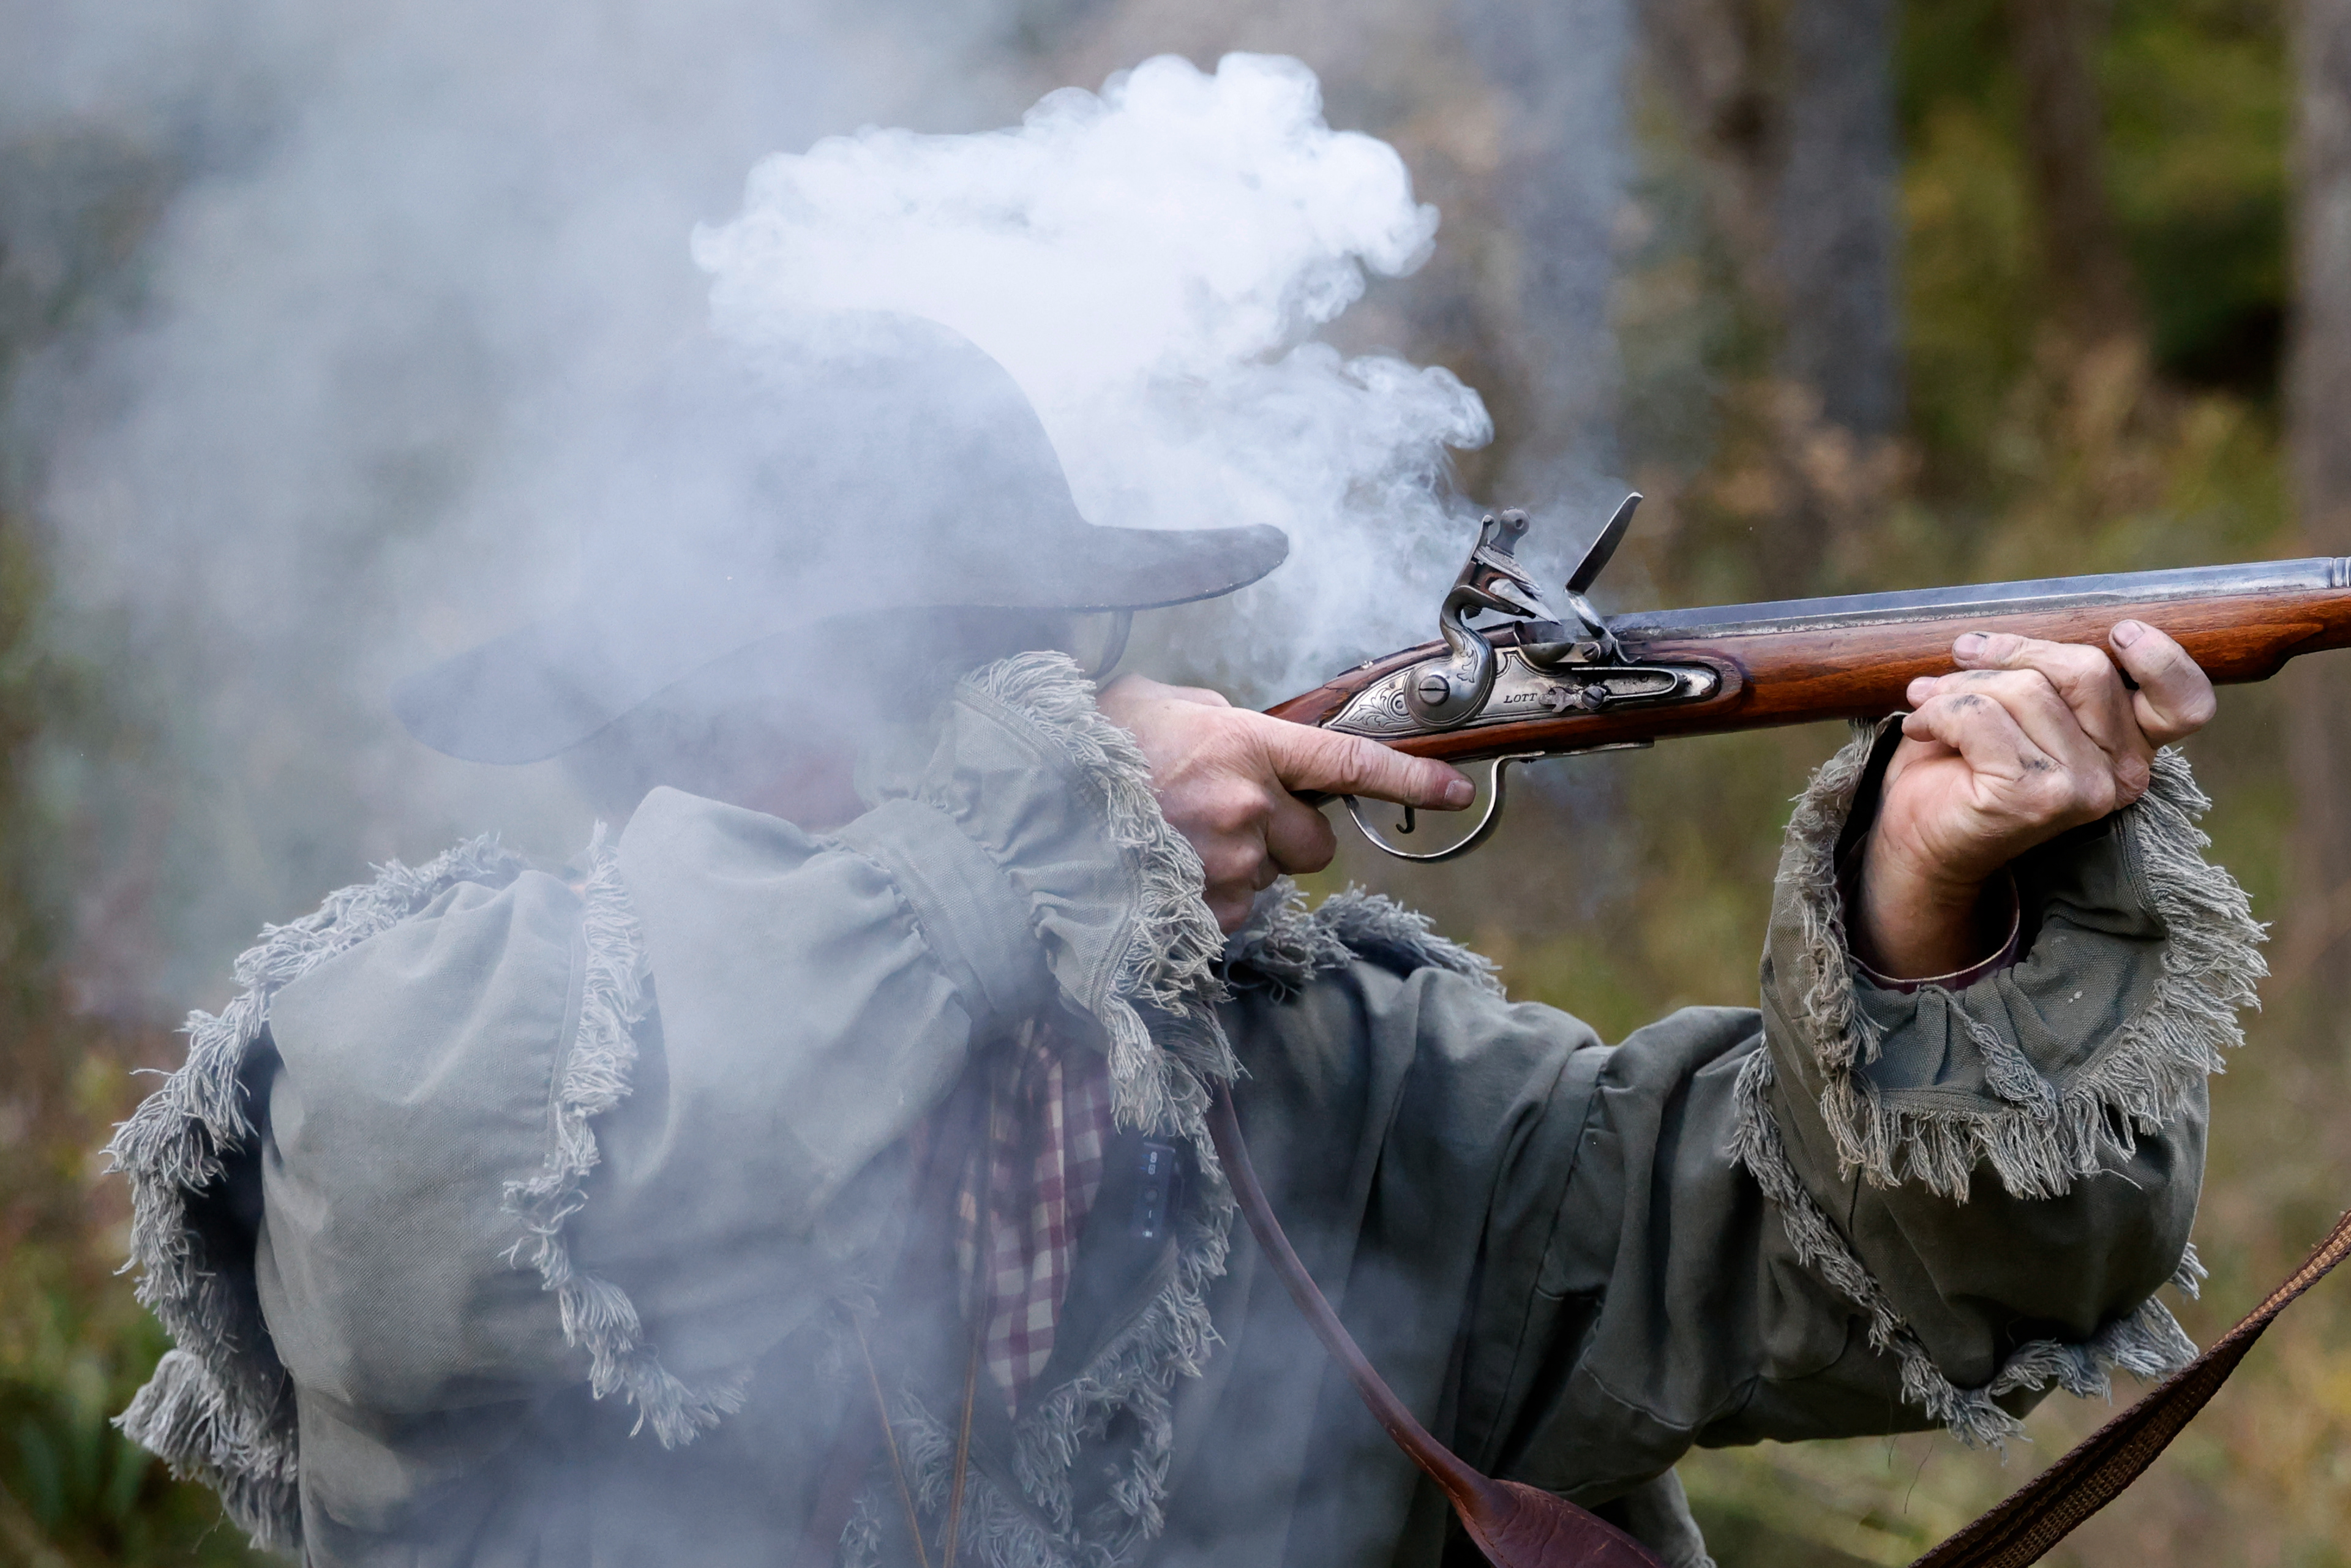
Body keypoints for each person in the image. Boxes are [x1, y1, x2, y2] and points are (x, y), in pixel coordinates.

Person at [110, 316, 2259, 1568]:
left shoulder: (1322, 1064)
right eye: (822, 672)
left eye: (976, 660)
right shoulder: (451, 1027)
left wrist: (1929, 898)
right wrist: (1034, 831)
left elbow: (1831, 1289)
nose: (898, 721)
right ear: (639, 730)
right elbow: (422, 1223)